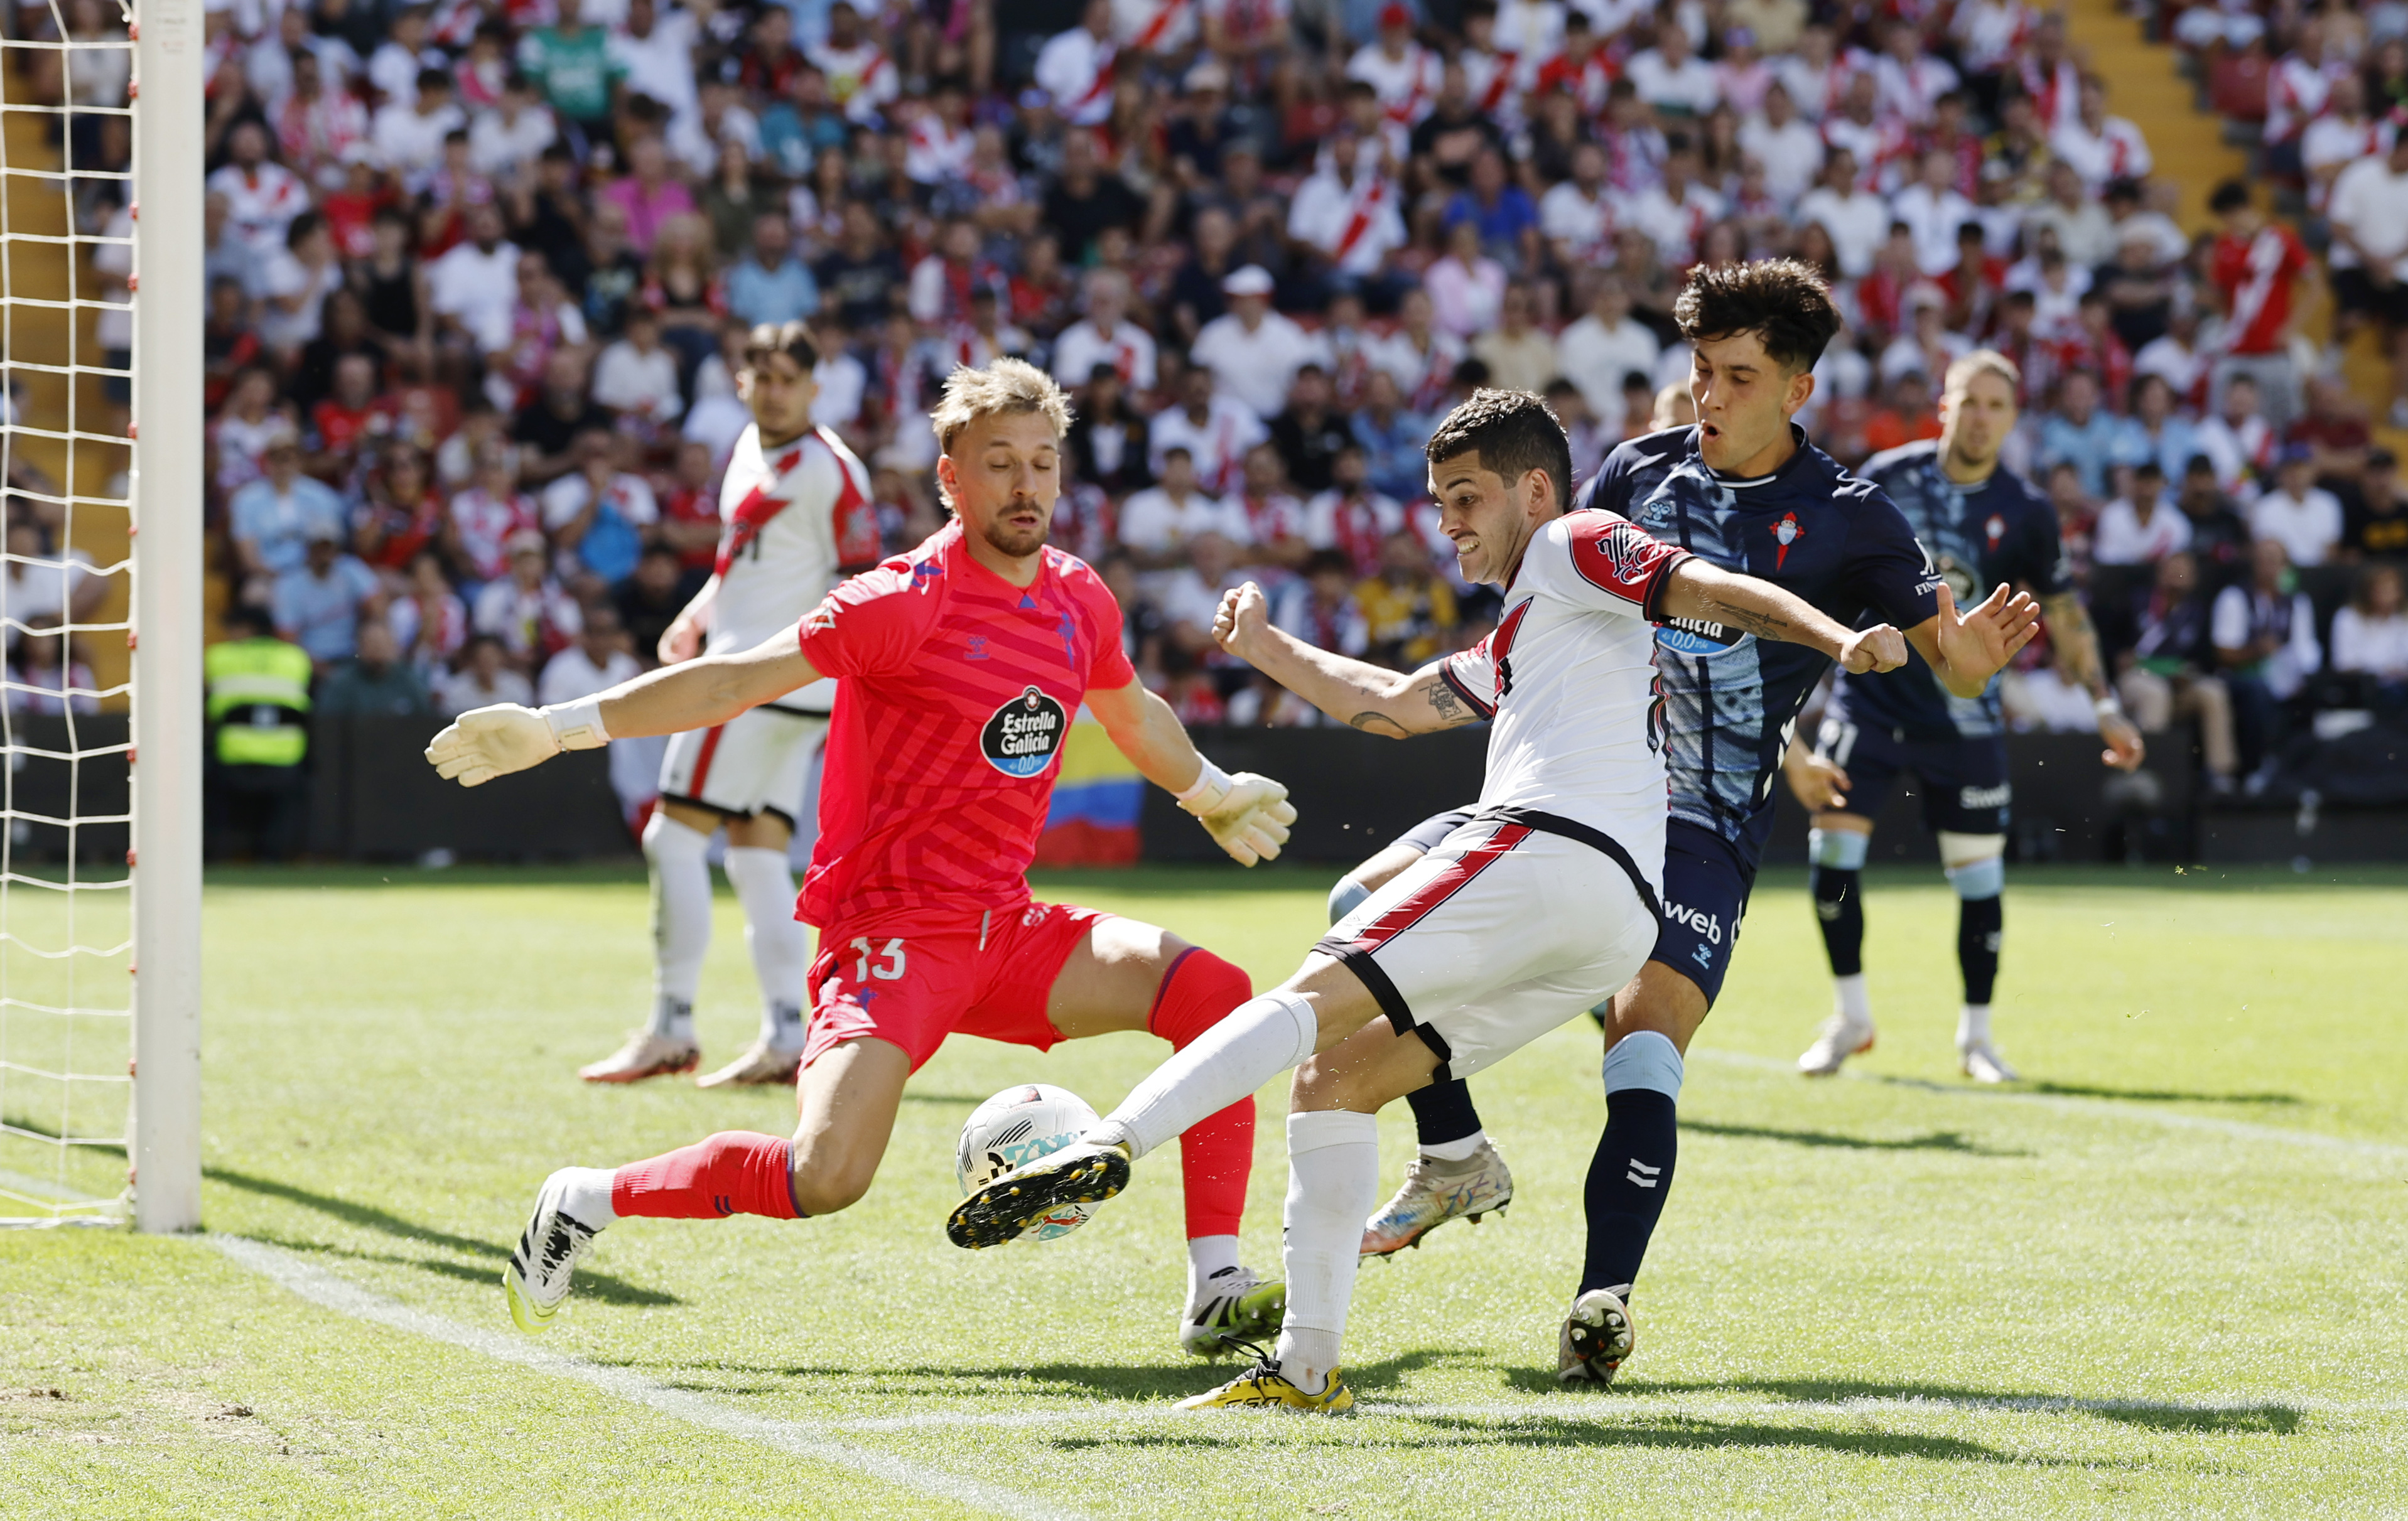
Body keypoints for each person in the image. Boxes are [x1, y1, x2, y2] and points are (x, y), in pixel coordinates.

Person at [946, 380, 2026, 1412]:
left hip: (1549, 849)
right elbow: (1394, 702)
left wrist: (1836, 636)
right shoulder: (1529, 622)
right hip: (1607, 921)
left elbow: (1704, 586)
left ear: (1536, 489)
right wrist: (1266, 646)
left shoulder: (1572, 541)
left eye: (1466, 497)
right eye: (1439, 503)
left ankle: (1107, 1145)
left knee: (1309, 996)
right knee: (1336, 1075)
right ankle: (1311, 1363)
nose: (1449, 523)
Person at [431, 360, 1302, 1358]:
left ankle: (1213, 1283)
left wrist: (1211, 793)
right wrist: (556, 727)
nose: (1025, 484)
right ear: (950, 478)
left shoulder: (1077, 596)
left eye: (1042, 462)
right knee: (826, 1175)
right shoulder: (901, 600)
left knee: (1216, 993)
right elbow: (731, 681)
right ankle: (586, 1195)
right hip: (890, 937)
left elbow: (1132, 712)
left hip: (1008, 927)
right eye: (999, 463)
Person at [1291, 262, 2041, 1379]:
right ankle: (1452, 1151)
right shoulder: (1636, 470)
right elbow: (1551, 606)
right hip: (1576, 791)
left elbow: (1952, 660)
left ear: (1796, 389)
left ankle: (1601, 1302)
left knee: (1640, 1040)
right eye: (1699, 369)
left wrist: (1969, 660)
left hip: (1704, 825)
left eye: (1736, 375)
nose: (1708, 393)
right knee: (1360, 901)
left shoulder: (1852, 518)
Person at [1789, 352, 2145, 1083]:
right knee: (1832, 859)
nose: (1981, 417)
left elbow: (2066, 614)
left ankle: (1976, 1037)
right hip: (1871, 701)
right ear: (1944, 405)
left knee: (1978, 879)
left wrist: (2104, 705)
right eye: (1969, 401)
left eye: (1996, 405)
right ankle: (1850, 1015)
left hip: (1966, 716)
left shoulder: (2026, 508)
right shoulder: (1886, 477)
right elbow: (1827, 577)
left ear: (2012, 420)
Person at [578, 323, 880, 1091]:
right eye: (762, 377)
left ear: (814, 387)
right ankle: (786, 1031)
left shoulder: (832, 471)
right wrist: (698, 613)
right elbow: (738, 561)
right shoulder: (748, 449)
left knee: (671, 836)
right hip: (772, 680)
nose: (774, 392)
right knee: (754, 851)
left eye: (788, 379)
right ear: (741, 382)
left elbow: (861, 583)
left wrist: (802, 671)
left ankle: (670, 1025)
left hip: (755, 683)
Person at [203, 605, 315, 862]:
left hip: (232, 758)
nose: (229, 634)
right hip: (286, 758)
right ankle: (275, 855)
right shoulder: (296, 658)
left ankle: (216, 852)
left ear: (247, 629)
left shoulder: (219, 657)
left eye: (233, 628)